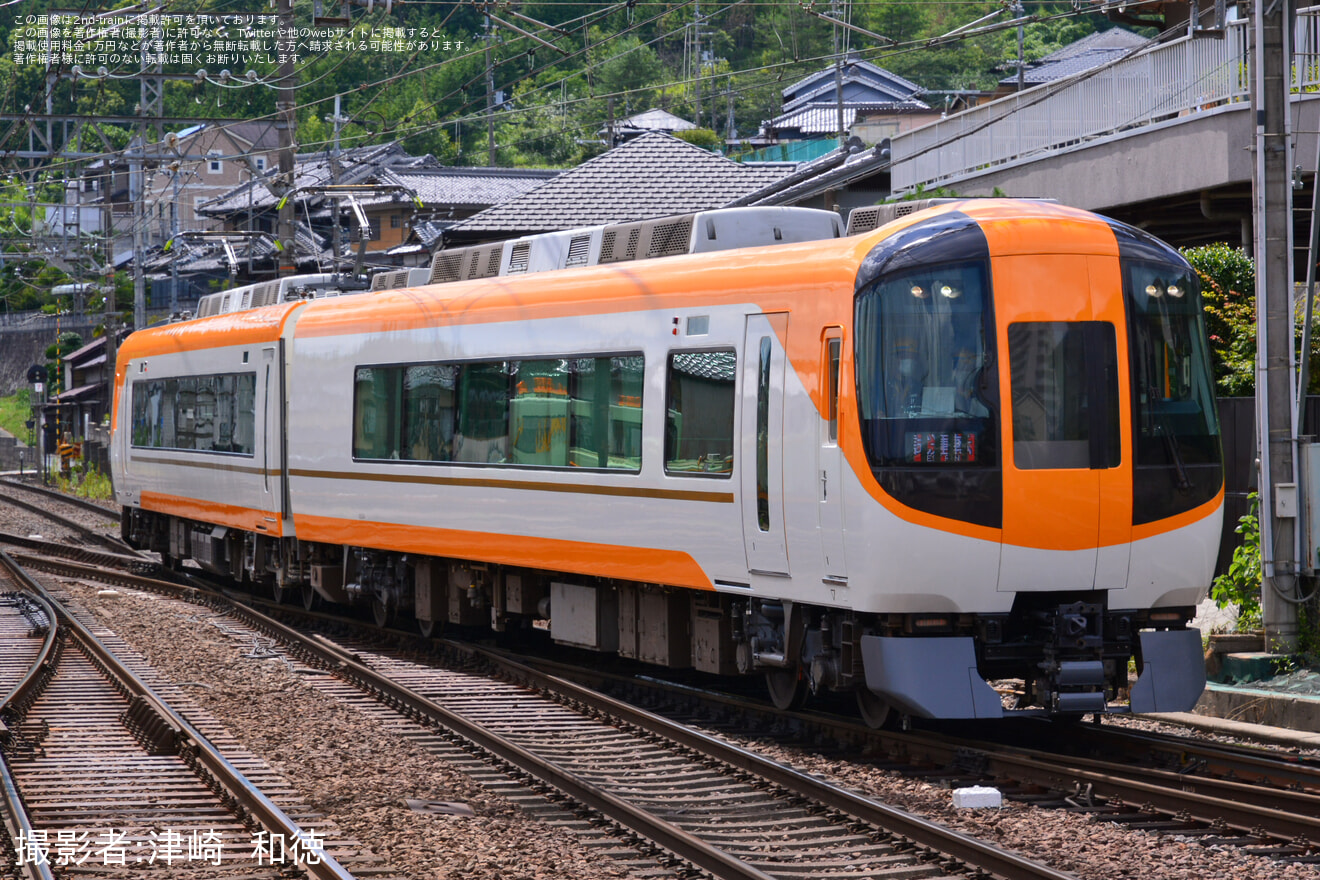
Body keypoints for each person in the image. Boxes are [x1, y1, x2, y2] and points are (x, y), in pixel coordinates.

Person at [888, 336, 927, 416]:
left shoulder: (919, 387)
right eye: (905, 356)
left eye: (913, 357)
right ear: (896, 359)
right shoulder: (882, 387)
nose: (910, 360)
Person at [952, 346, 988, 416]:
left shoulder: (983, 402)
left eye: (969, 359)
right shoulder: (944, 401)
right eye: (962, 359)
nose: (965, 363)